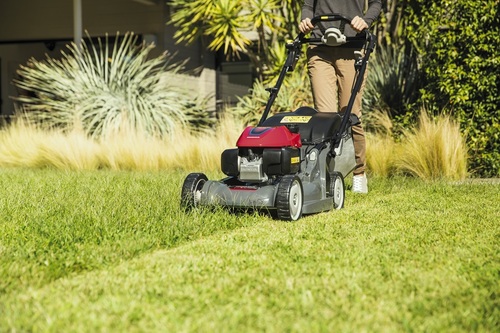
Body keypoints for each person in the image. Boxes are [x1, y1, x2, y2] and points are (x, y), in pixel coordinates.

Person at [299, 0, 382, 194]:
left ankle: (359, 173)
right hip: (320, 47)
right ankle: (327, 175)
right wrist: (305, 20)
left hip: (352, 47)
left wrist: (365, 20)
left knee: (350, 114)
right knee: (325, 118)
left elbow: (377, 3)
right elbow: (308, 6)